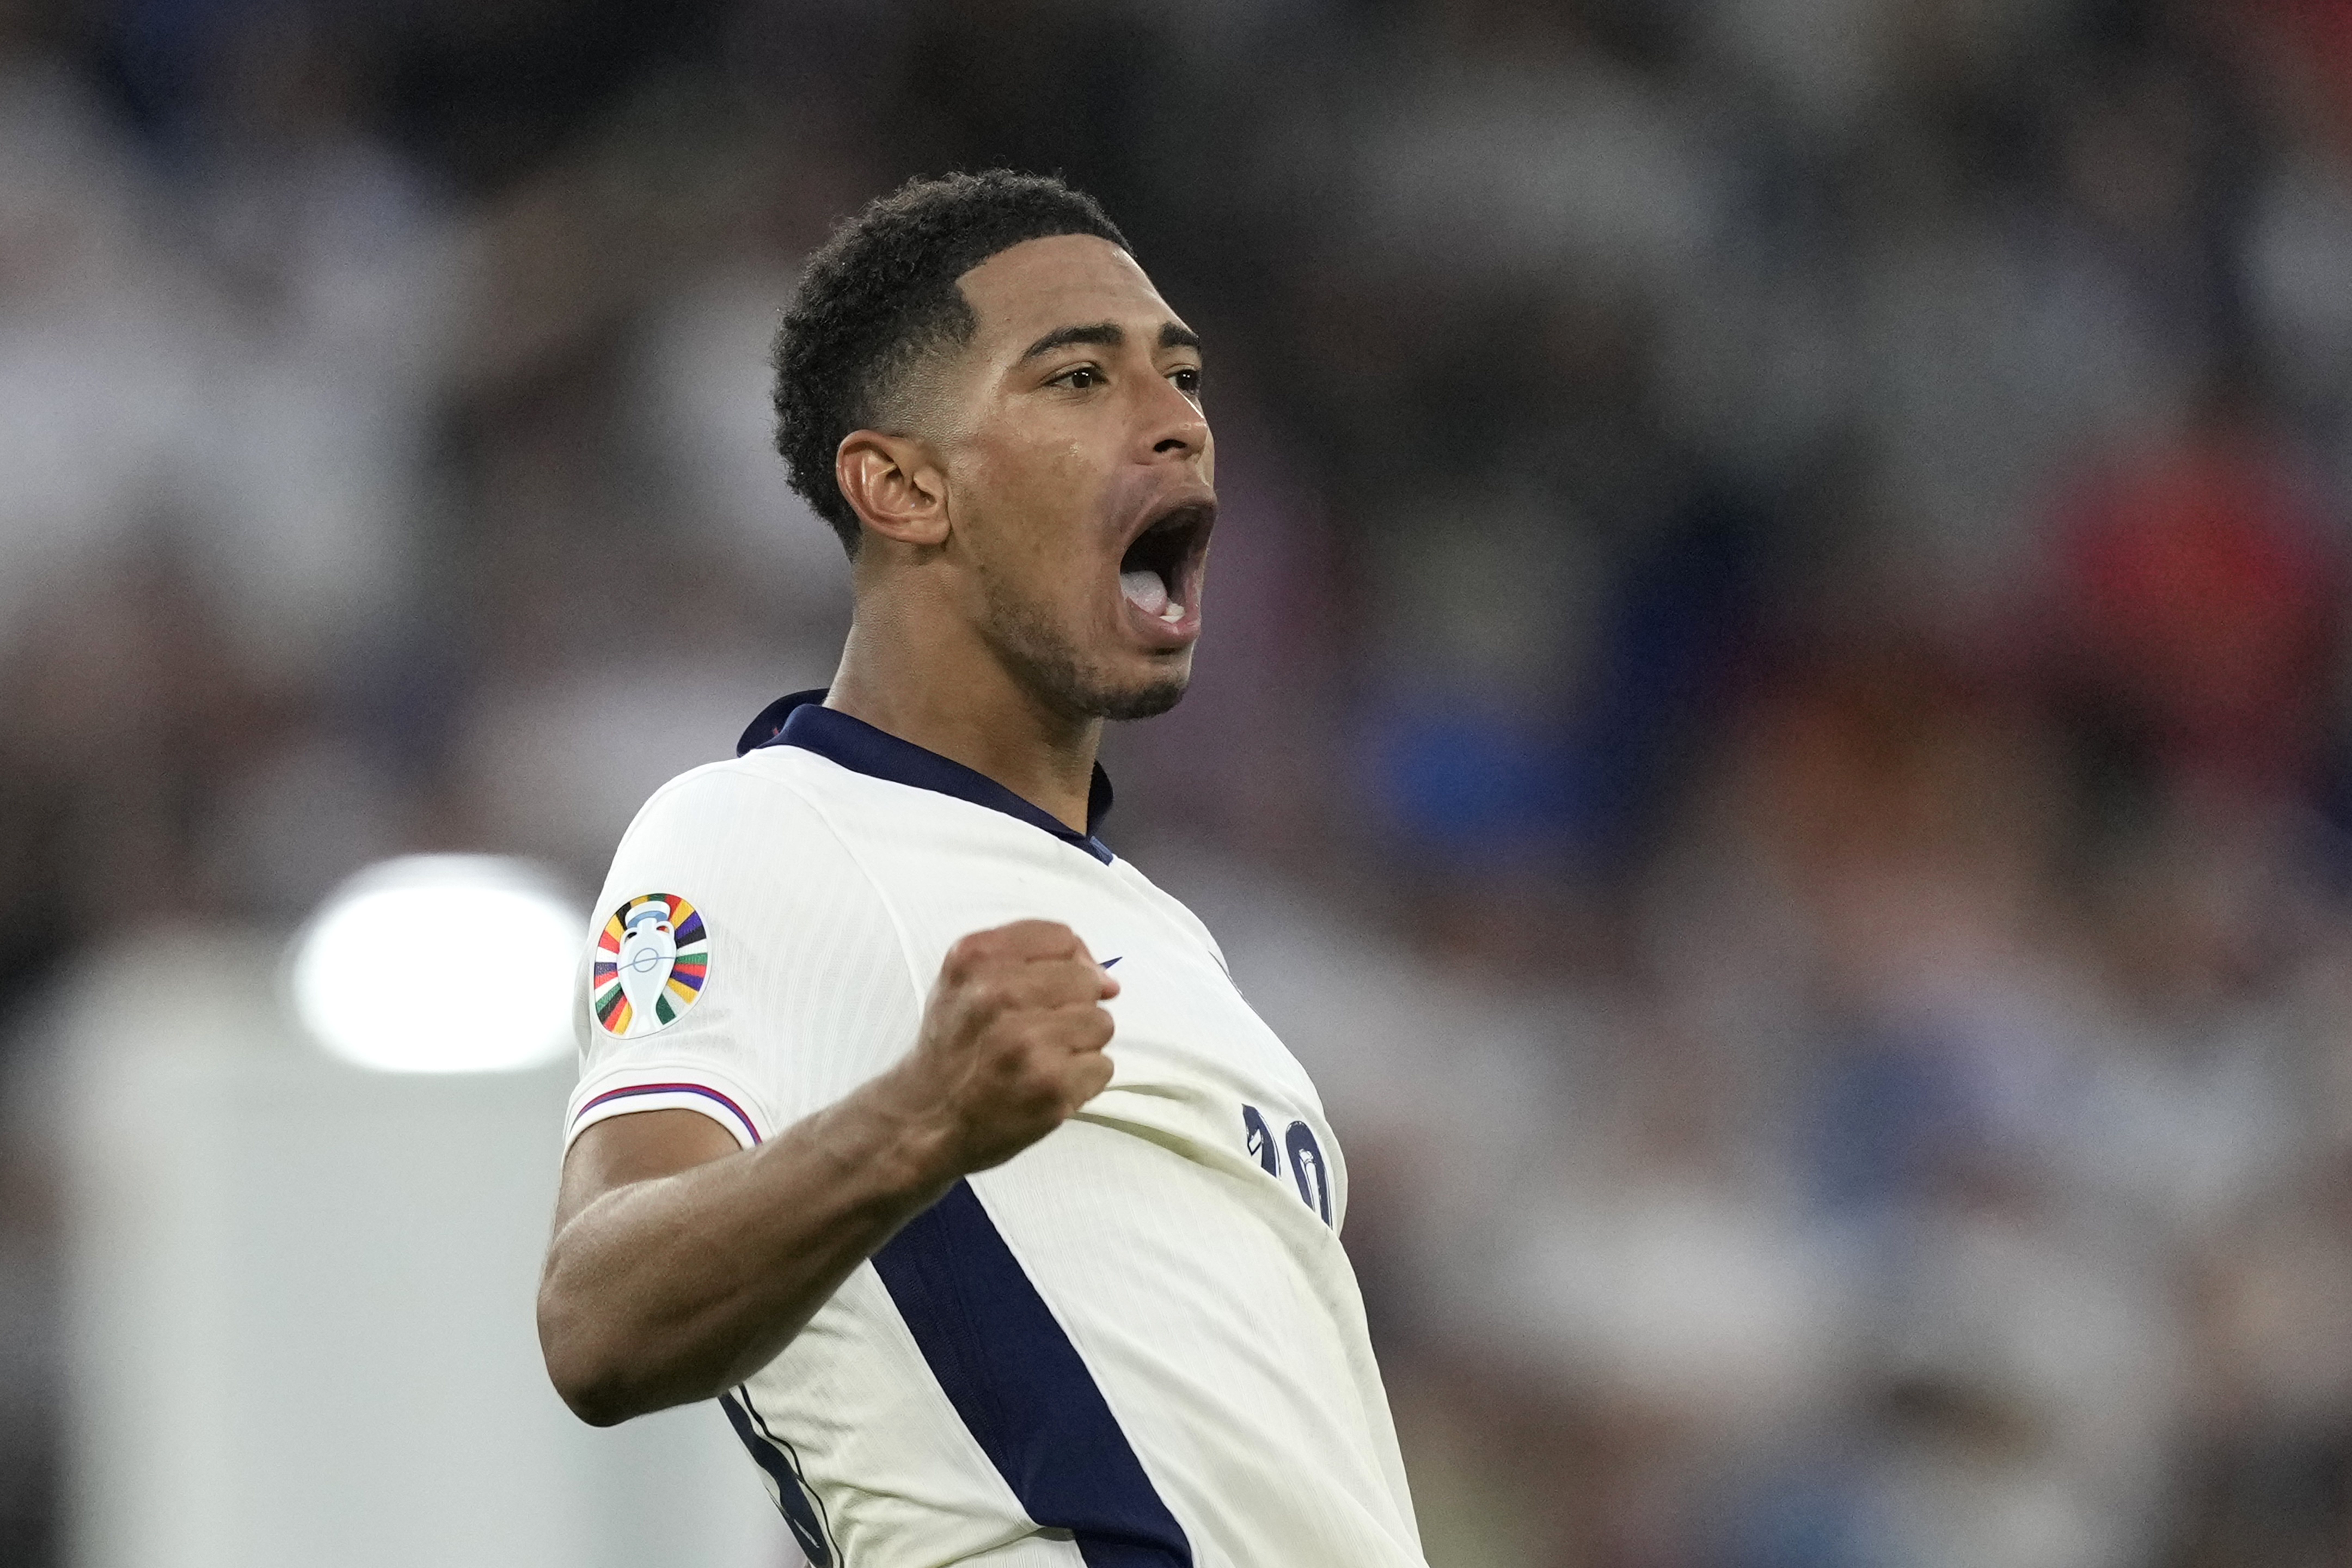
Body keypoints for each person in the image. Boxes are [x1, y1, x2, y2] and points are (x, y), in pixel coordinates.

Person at [536, 170, 1426, 1567]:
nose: (1179, 421)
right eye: (1078, 377)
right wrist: (924, 1120)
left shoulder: (1169, 939)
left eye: (1181, 375)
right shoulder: (764, 827)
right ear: (900, 486)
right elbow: (596, 1319)